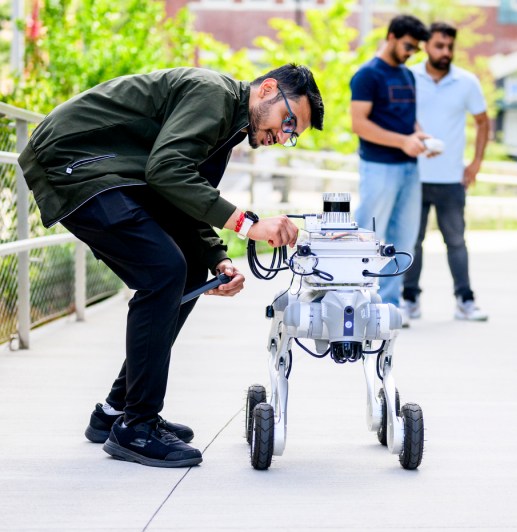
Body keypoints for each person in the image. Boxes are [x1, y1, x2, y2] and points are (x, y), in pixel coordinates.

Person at [18, 65, 324, 468]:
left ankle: (116, 410)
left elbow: (179, 194)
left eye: (292, 134)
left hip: (108, 170)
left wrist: (216, 257)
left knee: (190, 273)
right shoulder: (214, 95)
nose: (283, 137)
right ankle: (137, 427)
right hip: (74, 160)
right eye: (287, 122)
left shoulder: (229, 124)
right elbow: (165, 171)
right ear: (267, 89)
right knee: (163, 272)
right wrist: (248, 225)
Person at [402, 22, 490, 322]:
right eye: (439, 46)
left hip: (452, 178)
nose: (446, 52)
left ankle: (465, 300)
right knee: (412, 241)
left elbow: (483, 121)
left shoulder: (467, 81)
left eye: (450, 47)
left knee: (456, 241)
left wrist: (476, 163)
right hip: (413, 175)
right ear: (426, 46)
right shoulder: (409, 76)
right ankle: (409, 299)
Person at [350, 14, 432, 326]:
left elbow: (407, 118)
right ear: (392, 36)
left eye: (416, 49)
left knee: (404, 241)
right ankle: (355, 302)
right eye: (408, 46)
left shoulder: (408, 75)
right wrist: (403, 141)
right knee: (368, 238)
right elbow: (359, 124)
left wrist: (420, 136)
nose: (411, 53)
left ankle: (389, 305)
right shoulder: (367, 75)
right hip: (379, 167)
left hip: (410, 168)